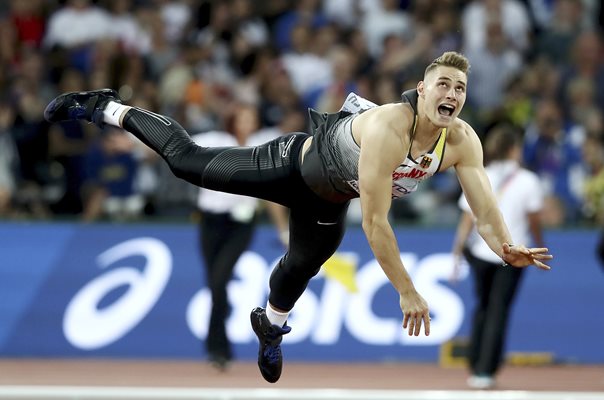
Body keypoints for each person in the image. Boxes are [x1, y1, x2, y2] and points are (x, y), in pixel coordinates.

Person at [43, 51, 553, 384]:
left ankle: (270, 324)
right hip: (288, 165)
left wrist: (504, 243)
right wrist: (406, 289)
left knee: (301, 266)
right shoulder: (389, 130)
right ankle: (104, 108)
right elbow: (376, 224)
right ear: (421, 89)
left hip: (327, 199)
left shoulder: (462, 139)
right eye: (443, 84)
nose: (452, 95)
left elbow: (484, 205)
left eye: (460, 89)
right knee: (187, 163)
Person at [191, 103, 289, 370]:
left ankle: (218, 350)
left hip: (241, 225)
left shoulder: (262, 146)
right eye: (242, 118)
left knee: (220, 279)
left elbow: (273, 193)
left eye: (251, 119)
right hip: (210, 222)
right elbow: (177, 147)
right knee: (214, 285)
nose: (247, 124)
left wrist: (282, 230)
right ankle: (219, 331)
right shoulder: (215, 140)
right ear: (232, 120)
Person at [450, 125, 546, 390]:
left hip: (480, 252)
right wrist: (540, 246)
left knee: (482, 306)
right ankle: (486, 369)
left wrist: (457, 253)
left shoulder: (480, 174)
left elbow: (467, 219)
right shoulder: (529, 181)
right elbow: (534, 219)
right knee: (498, 310)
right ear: (514, 149)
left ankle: (474, 363)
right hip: (514, 255)